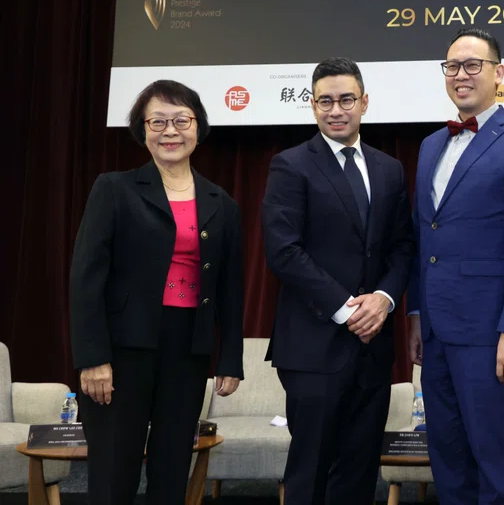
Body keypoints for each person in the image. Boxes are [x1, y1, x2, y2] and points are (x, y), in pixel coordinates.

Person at [69, 79, 244, 504]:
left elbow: (230, 287)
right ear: (142, 129)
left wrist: (230, 359)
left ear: (198, 127)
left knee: (171, 470)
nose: (170, 132)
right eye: (158, 122)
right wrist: (92, 357)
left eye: (181, 120)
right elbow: (86, 278)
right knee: (115, 471)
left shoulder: (221, 202)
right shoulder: (114, 188)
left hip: (188, 348)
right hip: (122, 350)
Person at [406, 28, 504, 504]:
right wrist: (416, 314)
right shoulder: (430, 145)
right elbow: (423, 238)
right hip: (436, 332)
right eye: (452, 66)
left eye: (473, 65)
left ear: (499, 73)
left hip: (491, 335)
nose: (461, 75)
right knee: (448, 460)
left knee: (496, 460)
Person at [262, 57, 414, 505]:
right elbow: (284, 251)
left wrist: (383, 299)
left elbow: (403, 247)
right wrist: (349, 311)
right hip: (313, 347)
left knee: (359, 473)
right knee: (309, 472)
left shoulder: (389, 169)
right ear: (312, 106)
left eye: (346, 99)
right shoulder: (290, 165)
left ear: (364, 103)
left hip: (373, 348)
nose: (336, 110)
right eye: (325, 101)